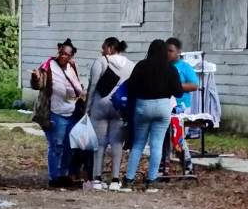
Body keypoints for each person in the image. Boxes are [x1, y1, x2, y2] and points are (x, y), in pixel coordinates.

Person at [121, 38, 183, 188]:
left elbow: (131, 87)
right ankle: (151, 179)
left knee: (138, 144)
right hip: (163, 106)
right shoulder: (171, 69)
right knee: (157, 144)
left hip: (143, 106)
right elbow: (178, 92)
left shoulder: (141, 66)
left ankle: (129, 178)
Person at [29, 37, 85, 190]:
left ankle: (63, 175)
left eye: (66, 54)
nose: (63, 56)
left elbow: (77, 86)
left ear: (71, 56)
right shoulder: (48, 66)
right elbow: (38, 84)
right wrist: (35, 78)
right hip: (55, 112)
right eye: (61, 53)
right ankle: (53, 178)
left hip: (72, 112)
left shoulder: (72, 67)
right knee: (56, 145)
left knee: (69, 146)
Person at [85, 35, 131, 188]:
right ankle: (115, 179)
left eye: (103, 47)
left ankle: (97, 178)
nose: (102, 50)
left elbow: (93, 86)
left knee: (99, 143)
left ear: (110, 48)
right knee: (117, 143)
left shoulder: (100, 62)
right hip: (119, 106)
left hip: (100, 105)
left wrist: (87, 108)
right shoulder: (130, 65)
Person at [163, 37, 200, 177]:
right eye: (165, 51)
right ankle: (164, 167)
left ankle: (187, 166)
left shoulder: (184, 67)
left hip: (181, 107)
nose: (167, 54)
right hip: (164, 106)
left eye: (170, 51)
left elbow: (194, 85)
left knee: (177, 137)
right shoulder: (162, 66)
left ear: (178, 51)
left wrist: (176, 87)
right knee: (163, 138)